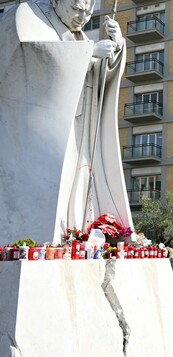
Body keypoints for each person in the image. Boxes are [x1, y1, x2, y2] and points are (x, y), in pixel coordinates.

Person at [0, 0, 132, 243]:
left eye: (89, 13)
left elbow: (93, 75)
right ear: (57, 1)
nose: (82, 18)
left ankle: (73, 236)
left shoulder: (77, 35)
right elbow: (25, 58)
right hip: (42, 132)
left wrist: (117, 48)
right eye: (78, 10)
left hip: (78, 123)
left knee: (78, 186)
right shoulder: (26, 15)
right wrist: (89, 52)